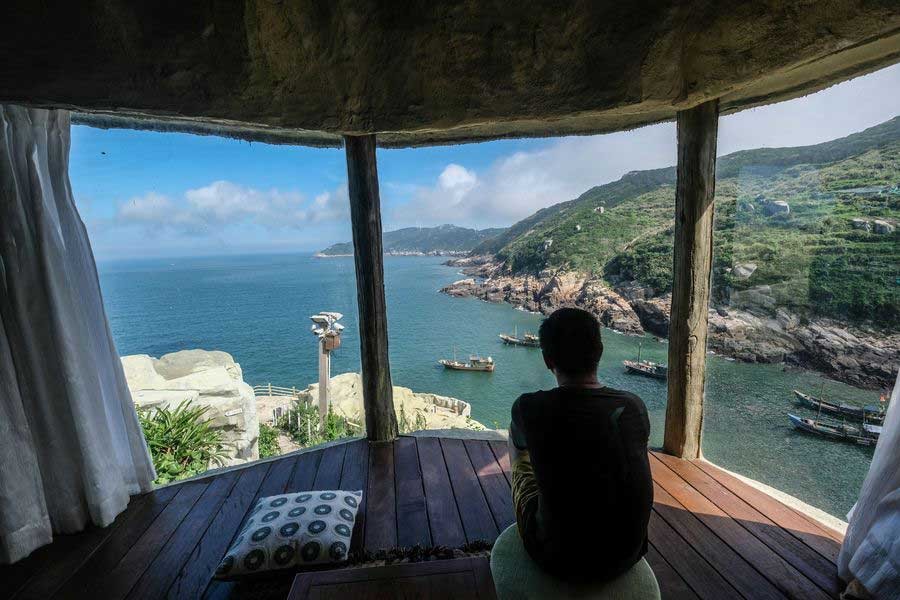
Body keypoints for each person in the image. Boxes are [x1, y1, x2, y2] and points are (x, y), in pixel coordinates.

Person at [508, 307, 653, 581]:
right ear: (599, 351)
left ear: (547, 359)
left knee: (519, 452)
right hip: (628, 553)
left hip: (556, 558)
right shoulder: (634, 406)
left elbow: (521, 447)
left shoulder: (529, 408)